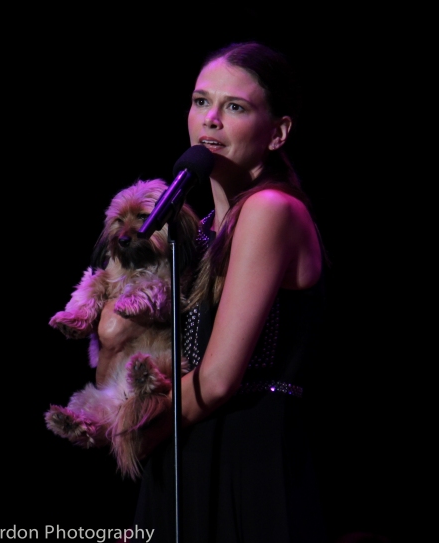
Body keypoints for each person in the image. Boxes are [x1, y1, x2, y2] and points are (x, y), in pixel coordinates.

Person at [97, 41, 331, 542]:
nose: (212, 120)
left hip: (247, 453)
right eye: (201, 101)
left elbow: (220, 378)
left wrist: (133, 427)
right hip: (187, 445)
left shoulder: (270, 209)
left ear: (278, 132)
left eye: (236, 107)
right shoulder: (199, 228)